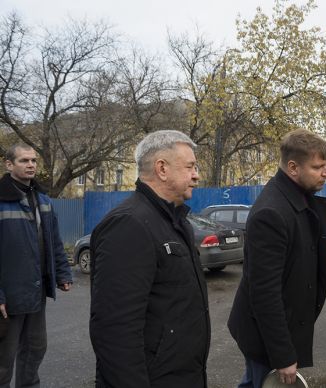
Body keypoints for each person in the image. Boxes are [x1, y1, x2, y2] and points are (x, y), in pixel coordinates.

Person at [89, 130, 210, 388]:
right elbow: (115, 331)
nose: (196, 175)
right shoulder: (129, 224)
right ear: (162, 169)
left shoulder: (176, 222)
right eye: (190, 166)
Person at [228, 129, 326, 387]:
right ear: (293, 168)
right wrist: (283, 355)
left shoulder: (297, 199)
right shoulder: (272, 213)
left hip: (278, 330)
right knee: (259, 381)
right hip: (265, 337)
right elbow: (264, 292)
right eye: (318, 166)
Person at [0, 144, 73, 388]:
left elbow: (54, 240)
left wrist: (63, 272)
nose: (31, 165)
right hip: (8, 298)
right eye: (24, 161)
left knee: (35, 350)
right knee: (3, 359)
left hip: (36, 293)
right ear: (9, 165)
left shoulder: (43, 199)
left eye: (33, 160)